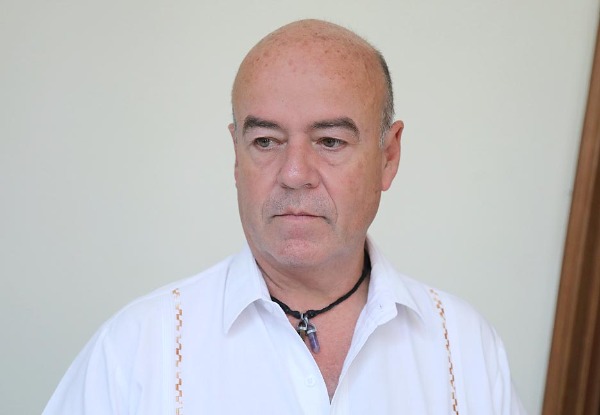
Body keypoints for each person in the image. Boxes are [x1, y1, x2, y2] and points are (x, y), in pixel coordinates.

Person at [43, 19, 526, 414]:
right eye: (266, 141)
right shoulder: (135, 350)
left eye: (330, 141)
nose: (294, 174)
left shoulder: (465, 348)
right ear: (237, 156)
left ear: (389, 156)